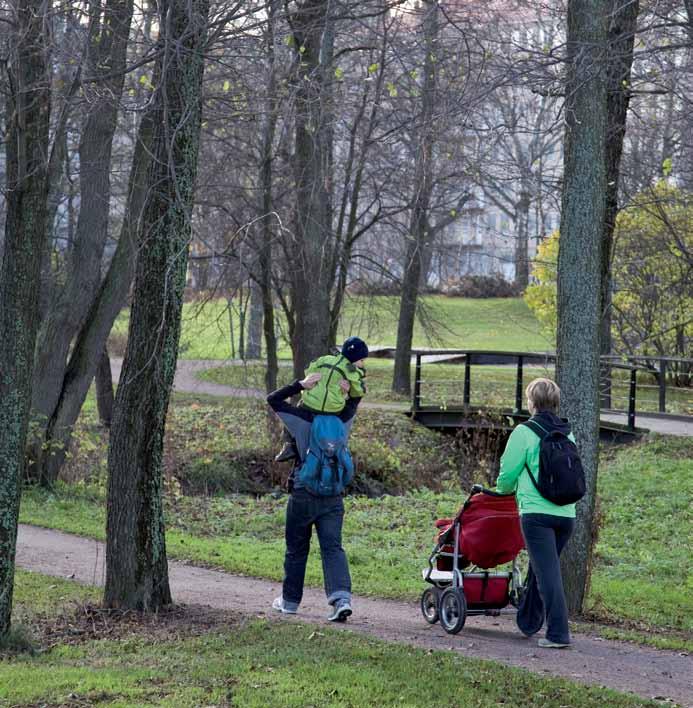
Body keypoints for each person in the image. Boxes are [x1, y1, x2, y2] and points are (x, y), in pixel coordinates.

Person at [267, 371, 361, 622]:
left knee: (296, 548)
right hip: (333, 496)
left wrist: (300, 384)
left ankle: (289, 602)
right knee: (333, 548)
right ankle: (341, 600)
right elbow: (355, 401)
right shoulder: (342, 421)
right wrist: (349, 390)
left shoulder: (301, 419)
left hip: (303, 492)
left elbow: (273, 399)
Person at [495, 377, 577, 649]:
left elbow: (508, 474)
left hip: (536, 515)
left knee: (547, 574)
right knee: (542, 568)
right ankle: (529, 620)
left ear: (531, 402)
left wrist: (501, 490)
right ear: (555, 403)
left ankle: (558, 634)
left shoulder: (523, 432)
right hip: (566, 514)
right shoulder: (567, 432)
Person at [274, 336, 368, 462]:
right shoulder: (352, 372)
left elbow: (309, 368)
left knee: (297, 409)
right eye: (362, 360)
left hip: (310, 406)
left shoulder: (325, 359)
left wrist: (311, 380)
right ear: (355, 359)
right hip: (333, 411)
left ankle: (289, 445)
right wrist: (350, 389)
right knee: (346, 410)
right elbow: (359, 392)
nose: (363, 363)